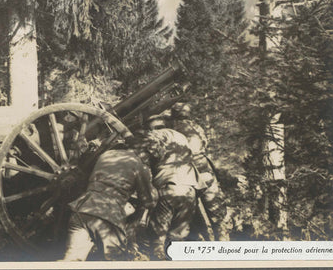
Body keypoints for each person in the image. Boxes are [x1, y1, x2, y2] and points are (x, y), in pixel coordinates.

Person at [61, 147, 158, 261]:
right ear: (144, 153)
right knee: (115, 262)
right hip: (108, 216)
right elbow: (148, 200)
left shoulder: (106, 154)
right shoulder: (137, 163)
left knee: (73, 259)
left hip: (82, 209)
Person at [142, 114, 200, 260]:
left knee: (159, 235)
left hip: (169, 185)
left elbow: (146, 157)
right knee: (178, 234)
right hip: (189, 188)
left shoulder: (156, 136)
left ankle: (158, 260)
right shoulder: (181, 137)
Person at [169, 102, 229, 241]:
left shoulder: (170, 129)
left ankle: (197, 238)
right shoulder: (196, 127)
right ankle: (222, 237)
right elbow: (204, 143)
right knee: (214, 205)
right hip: (203, 166)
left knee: (187, 208)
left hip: (183, 171)